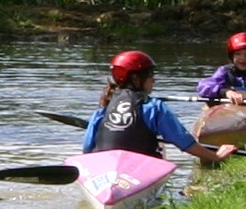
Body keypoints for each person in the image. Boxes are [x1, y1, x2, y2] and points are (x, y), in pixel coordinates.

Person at [83, 51, 231, 168]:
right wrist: (216, 157)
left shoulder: (104, 108)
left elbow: (87, 148)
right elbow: (185, 142)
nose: (154, 80)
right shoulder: (154, 107)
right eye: (150, 75)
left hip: (105, 168)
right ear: (136, 79)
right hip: (139, 169)